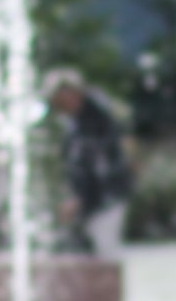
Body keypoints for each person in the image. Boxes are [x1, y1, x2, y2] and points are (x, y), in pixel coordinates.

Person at [47, 69, 131, 255]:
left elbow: (96, 165)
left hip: (106, 197)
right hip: (98, 198)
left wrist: (80, 199)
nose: (63, 103)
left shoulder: (95, 121)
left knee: (105, 247)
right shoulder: (76, 121)